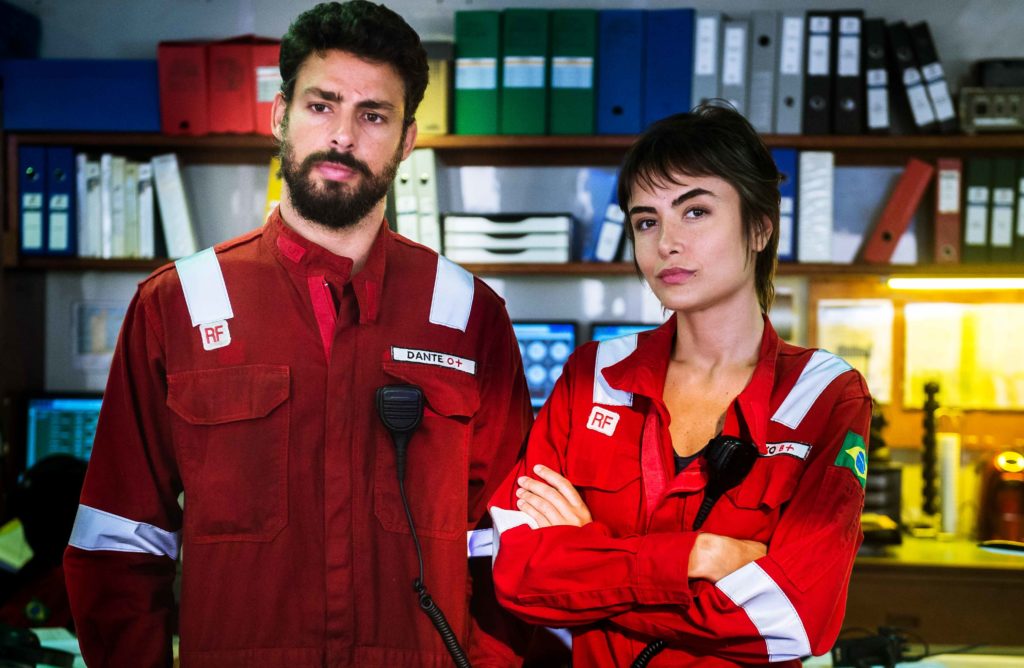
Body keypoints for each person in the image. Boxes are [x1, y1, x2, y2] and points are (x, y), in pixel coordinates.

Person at [63, 2, 533, 666]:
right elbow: (118, 540)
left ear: (406, 141)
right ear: (281, 114)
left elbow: (503, 548)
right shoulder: (179, 304)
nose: (343, 135)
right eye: (322, 105)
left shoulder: (467, 313)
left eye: (373, 115)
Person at [487, 104, 872, 667]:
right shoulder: (592, 375)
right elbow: (517, 574)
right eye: (647, 221)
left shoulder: (824, 395)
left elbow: (794, 618)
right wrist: (699, 554)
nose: (666, 241)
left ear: (761, 226)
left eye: (695, 212)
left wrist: (591, 562)